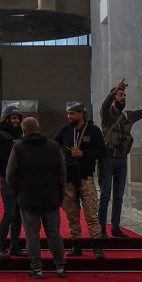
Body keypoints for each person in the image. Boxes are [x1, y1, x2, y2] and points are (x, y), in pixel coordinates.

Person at [98, 80, 142, 238]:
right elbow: (105, 104)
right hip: (107, 159)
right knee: (105, 195)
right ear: (114, 96)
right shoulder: (107, 114)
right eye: (120, 94)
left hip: (122, 160)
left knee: (118, 195)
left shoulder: (128, 115)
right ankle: (101, 228)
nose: (123, 97)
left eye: (124, 95)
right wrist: (116, 88)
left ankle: (115, 228)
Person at [5, 117, 68, 279]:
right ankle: (60, 267)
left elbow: (10, 174)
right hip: (51, 197)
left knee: (32, 234)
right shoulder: (53, 146)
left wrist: (18, 191)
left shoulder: (18, 148)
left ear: (24, 130)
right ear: (38, 128)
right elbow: (62, 173)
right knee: (54, 233)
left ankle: (37, 269)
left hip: (28, 198)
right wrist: (60, 194)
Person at [51, 102, 106, 259]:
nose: (69, 116)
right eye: (68, 113)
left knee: (91, 213)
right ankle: (76, 245)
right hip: (68, 178)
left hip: (86, 177)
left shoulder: (93, 130)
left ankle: (97, 246)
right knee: (72, 214)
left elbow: (103, 152)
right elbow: (53, 145)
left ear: (81, 114)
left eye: (72, 113)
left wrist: (84, 153)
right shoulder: (65, 130)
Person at [0, 104, 26, 259]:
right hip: (7, 178)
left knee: (18, 215)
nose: (16, 121)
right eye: (13, 118)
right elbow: (3, 161)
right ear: (6, 119)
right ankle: (0, 247)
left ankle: (15, 246)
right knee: (10, 213)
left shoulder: (21, 135)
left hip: (21, 179)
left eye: (18, 118)